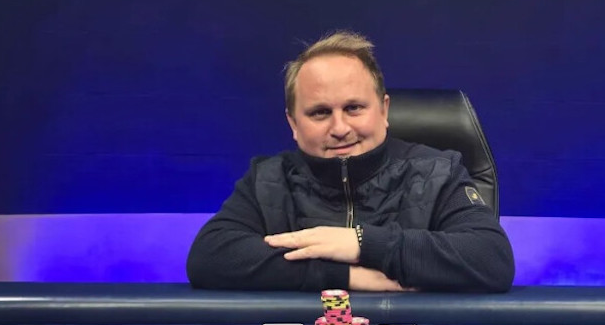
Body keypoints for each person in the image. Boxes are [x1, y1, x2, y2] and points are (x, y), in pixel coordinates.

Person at [186, 31, 514, 292]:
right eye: (320, 113)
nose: (340, 128)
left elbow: (491, 258)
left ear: (384, 110)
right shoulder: (267, 180)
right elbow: (210, 256)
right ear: (293, 124)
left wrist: (360, 243)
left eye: (354, 108)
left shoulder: (439, 172)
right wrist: (344, 276)